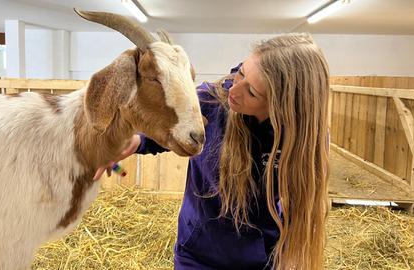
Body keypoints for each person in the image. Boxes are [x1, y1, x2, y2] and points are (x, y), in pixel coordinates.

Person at [100, 33, 330, 270]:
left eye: (252, 92)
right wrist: (135, 142)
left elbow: (303, 203)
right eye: (241, 71)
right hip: (198, 255)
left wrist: (288, 254)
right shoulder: (210, 100)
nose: (234, 89)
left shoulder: (305, 139)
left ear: (283, 107)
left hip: (261, 259)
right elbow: (171, 124)